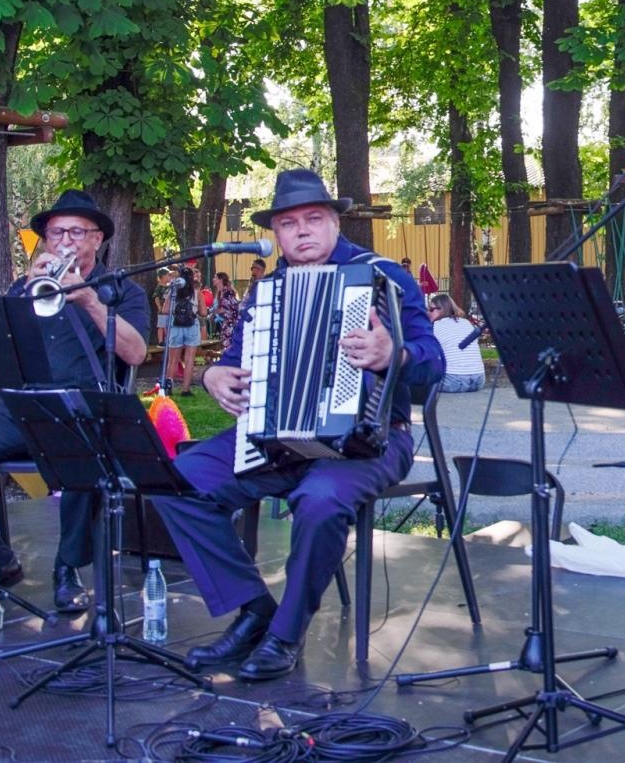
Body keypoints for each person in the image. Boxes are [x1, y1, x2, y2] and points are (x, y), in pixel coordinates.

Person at [153, 169, 443, 680]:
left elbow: (434, 364)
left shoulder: (383, 277)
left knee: (321, 498)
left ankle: (285, 634)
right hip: (278, 440)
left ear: (334, 223)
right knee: (178, 482)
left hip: (372, 443)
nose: (302, 231)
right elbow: (233, 361)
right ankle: (255, 610)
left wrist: (392, 353)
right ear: (278, 235)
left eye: (314, 219)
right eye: (289, 224)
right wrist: (213, 375)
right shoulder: (268, 291)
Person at [0, 189, 148, 612]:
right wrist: (23, 294)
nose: (65, 241)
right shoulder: (24, 288)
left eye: (77, 231)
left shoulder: (121, 292)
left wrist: (89, 300)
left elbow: (135, 354)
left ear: (98, 239)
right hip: (16, 410)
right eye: (56, 232)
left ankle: (67, 567)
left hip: (82, 410)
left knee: (88, 459)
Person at [427, 292, 485, 392]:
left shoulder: (435, 326)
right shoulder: (466, 322)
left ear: (442, 309)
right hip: (478, 380)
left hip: (452, 381)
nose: (428, 313)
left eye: (431, 309)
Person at [165, 264, 203, 395]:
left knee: (173, 360)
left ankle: (168, 387)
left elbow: (165, 310)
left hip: (176, 326)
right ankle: (185, 389)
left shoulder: (174, 291)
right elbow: (203, 312)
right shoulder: (197, 292)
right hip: (192, 326)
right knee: (189, 359)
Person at [213, 272, 241, 340]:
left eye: (215, 278)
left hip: (231, 324)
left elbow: (225, 309)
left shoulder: (227, 292)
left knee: (228, 344)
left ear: (220, 280)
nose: (213, 279)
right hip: (225, 323)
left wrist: (212, 312)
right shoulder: (221, 292)